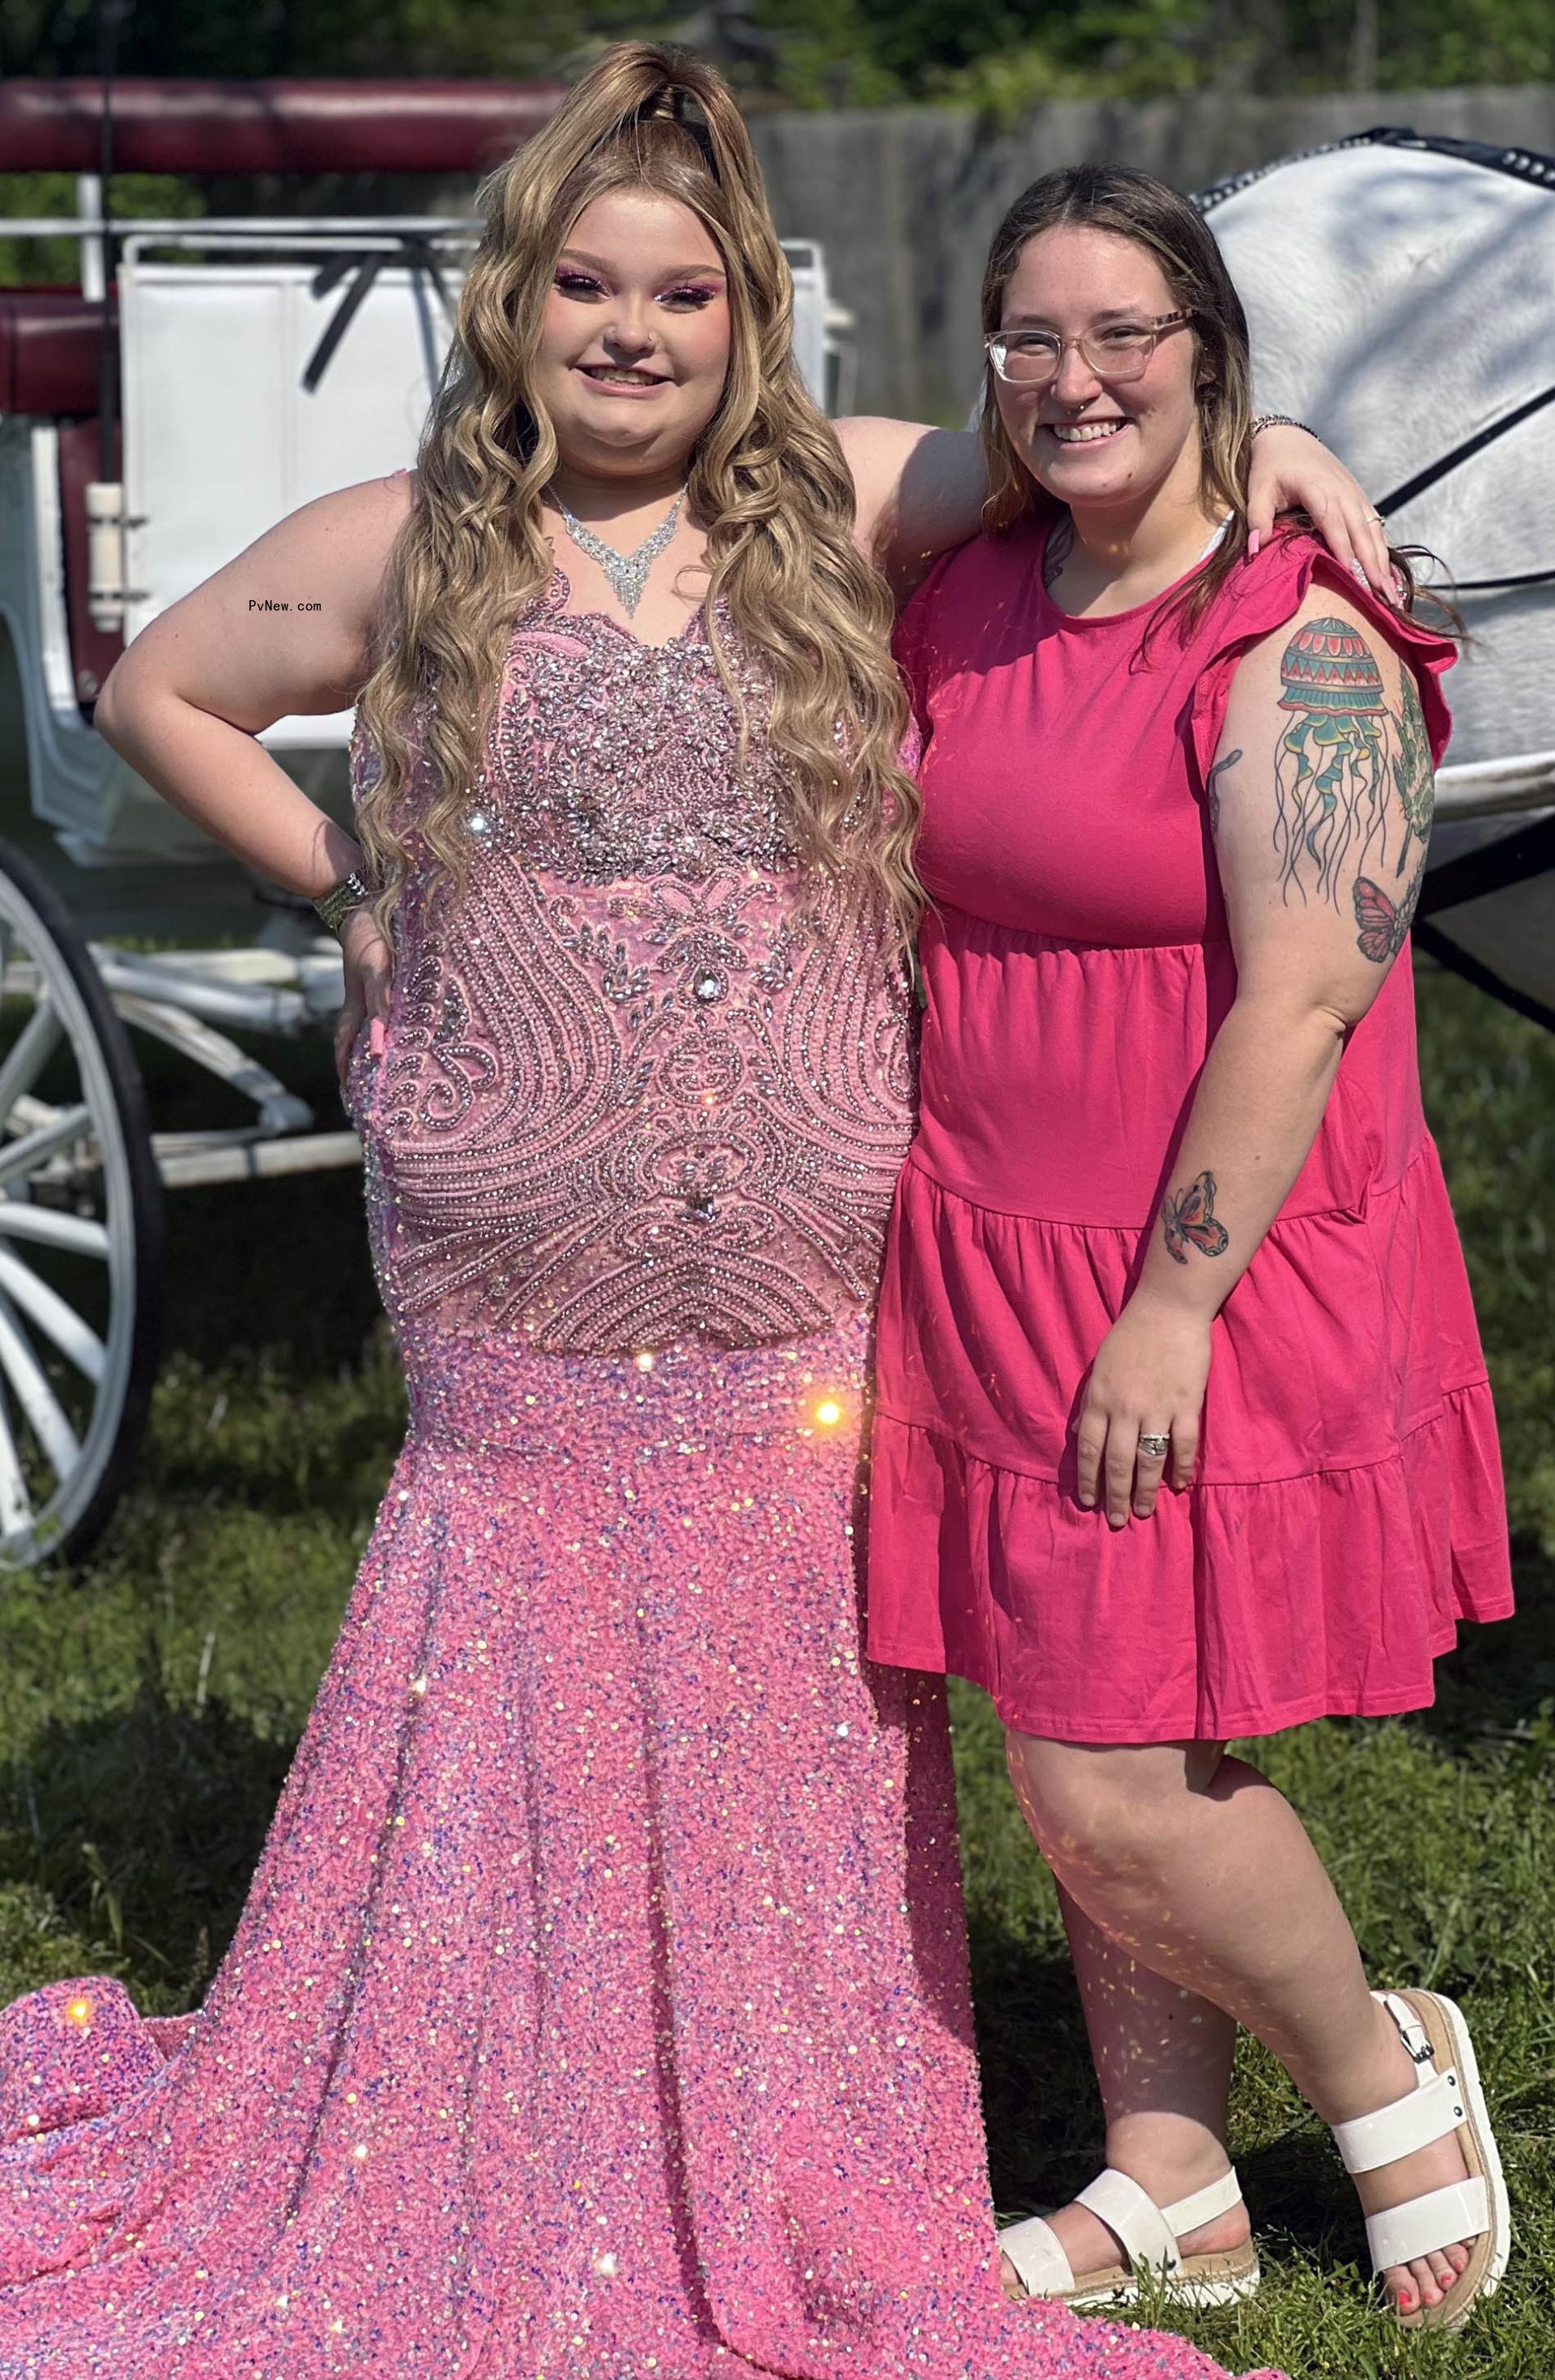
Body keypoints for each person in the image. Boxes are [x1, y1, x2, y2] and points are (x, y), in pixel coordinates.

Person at [0, 51, 1374, 2380]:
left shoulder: (843, 504)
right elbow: (161, 684)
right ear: (517, 304)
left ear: (750, 323)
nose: (631, 332)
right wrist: (350, 876)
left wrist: (1296, 468)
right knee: (516, 1614)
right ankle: (486, 2080)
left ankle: (788, 2112)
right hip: (514, 1248)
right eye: (585, 288)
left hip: (793, 1266)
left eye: (685, 294)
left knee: (797, 1649)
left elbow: (1112, 453)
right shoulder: (415, 537)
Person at [864, 163, 1515, 2337]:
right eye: (1031, 337)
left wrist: (1166, 1310)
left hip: (1192, 1257)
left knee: (1108, 1772)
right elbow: (791, 465)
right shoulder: (971, 587)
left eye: (1126, 334)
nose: (1075, 379)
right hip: (988, 1236)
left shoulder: (1295, 631)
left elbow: (1309, 994)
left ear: (1214, 354)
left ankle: (1379, 2062)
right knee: (1089, 1703)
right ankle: (1169, 2173)